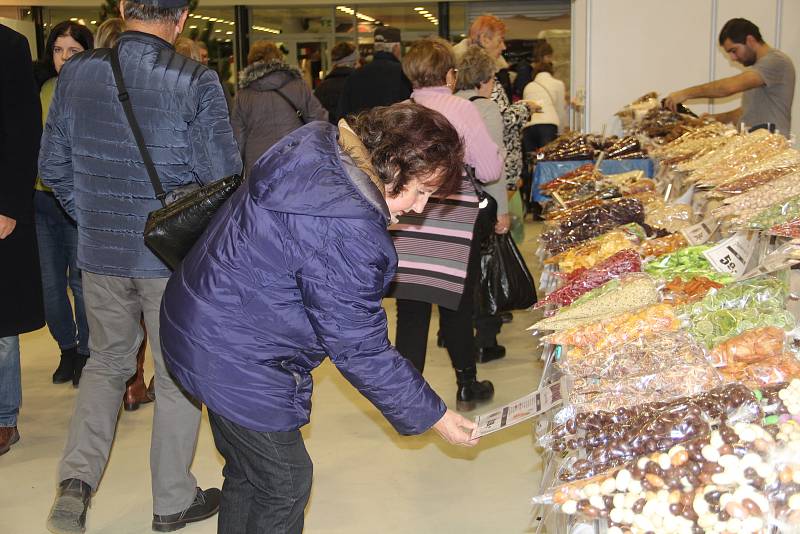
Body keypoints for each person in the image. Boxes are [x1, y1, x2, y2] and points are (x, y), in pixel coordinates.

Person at [160, 103, 478, 533]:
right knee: (285, 482)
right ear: (391, 166)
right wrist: (436, 416)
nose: (420, 208)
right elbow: (360, 347)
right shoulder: (350, 229)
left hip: (200, 317)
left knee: (247, 471)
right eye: (420, 191)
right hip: (232, 351)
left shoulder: (320, 147)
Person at [39, 0, 242, 531]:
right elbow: (224, 176)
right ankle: (173, 499)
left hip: (100, 254)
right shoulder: (195, 80)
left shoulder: (77, 74)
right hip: (167, 258)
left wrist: (92, 215)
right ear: (180, 20)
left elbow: (52, 164)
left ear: (126, 8)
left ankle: (74, 486)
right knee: (175, 377)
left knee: (106, 365)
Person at [392, 38, 502, 410]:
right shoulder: (461, 109)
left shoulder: (396, 113)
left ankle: (408, 399)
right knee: (457, 304)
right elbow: (489, 170)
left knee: (411, 310)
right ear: (449, 74)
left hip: (407, 221)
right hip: (454, 221)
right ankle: (467, 383)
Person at [35, 21, 93, 388]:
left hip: (78, 199)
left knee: (82, 283)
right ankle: (67, 348)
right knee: (50, 285)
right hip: (40, 199)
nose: (65, 58)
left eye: (74, 50)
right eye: (58, 50)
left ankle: (87, 351)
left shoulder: (96, 92)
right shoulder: (42, 89)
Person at [0, 23, 45, 457]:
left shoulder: (9, 46)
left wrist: (10, 205)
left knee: (1, 321)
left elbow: (24, 130)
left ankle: (2, 418)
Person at [453, 44, 512, 362]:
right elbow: (494, 169)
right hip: (479, 200)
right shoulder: (485, 109)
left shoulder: (446, 105)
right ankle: (485, 339)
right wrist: (502, 211)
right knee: (483, 270)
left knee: (456, 272)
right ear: (483, 80)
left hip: (449, 201)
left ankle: (450, 334)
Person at [665, 17, 795, 135]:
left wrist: (686, 93)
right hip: (756, 146)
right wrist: (717, 118)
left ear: (750, 40)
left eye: (734, 50)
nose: (733, 58)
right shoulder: (759, 70)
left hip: (772, 150)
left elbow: (728, 88)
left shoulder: (776, 62)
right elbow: (749, 111)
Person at [232, 40, 328, 173]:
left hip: (258, 163)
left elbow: (238, 138)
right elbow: (318, 121)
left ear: (251, 62)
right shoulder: (298, 86)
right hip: (295, 157)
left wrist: (236, 170)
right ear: (279, 59)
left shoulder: (243, 95)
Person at [522, 42, 567, 217]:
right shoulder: (557, 84)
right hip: (548, 127)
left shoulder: (528, 87)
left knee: (531, 165)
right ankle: (546, 206)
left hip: (529, 128)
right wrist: (562, 131)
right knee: (547, 165)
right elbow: (560, 110)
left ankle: (532, 206)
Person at [336, 26, 411, 118]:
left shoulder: (355, 75)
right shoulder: (404, 74)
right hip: (395, 130)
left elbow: (343, 113)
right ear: (396, 48)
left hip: (363, 130)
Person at [314, 41, 357, 124]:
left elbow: (317, 116)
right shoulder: (360, 83)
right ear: (354, 61)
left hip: (328, 134)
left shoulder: (322, 87)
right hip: (354, 134)